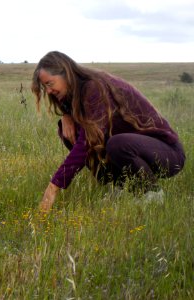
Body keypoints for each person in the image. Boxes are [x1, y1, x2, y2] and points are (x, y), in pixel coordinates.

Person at [31, 51, 186, 212]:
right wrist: (66, 114)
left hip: (168, 153)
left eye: (50, 84)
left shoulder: (94, 87)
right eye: (45, 87)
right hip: (138, 148)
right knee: (68, 131)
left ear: (66, 74)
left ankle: (152, 194)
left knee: (117, 144)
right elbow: (80, 124)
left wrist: (54, 186)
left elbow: (88, 141)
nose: (48, 91)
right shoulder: (75, 90)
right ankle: (118, 186)